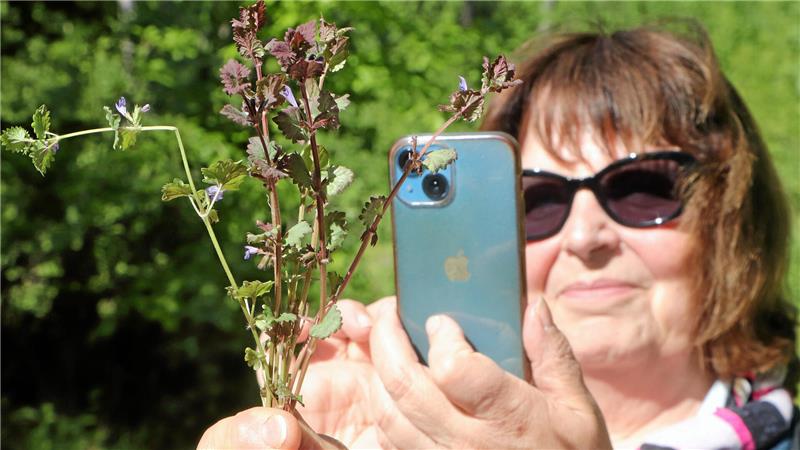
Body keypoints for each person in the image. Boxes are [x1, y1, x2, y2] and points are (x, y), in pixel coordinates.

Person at [198, 21, 798, 449]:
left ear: (733, 214)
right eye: (538, 199)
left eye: (641, 189)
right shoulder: (396, 431)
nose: (586, 236)